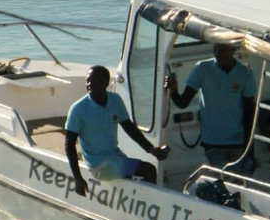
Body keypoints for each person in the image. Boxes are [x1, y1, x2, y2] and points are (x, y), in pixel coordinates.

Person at [65, 65, 168, 197]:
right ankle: (155, 204)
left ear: (105, 83)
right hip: (99, 165)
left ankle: (140, 204)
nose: (89, 84)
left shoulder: (115, 100)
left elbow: (130, 128)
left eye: (93, 81)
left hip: (115, 157)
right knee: (148, 170)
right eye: (87, 81)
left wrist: (152, 150)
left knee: (139, 175)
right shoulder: (78, 109)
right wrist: (77, 177)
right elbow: (69, 144)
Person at [164, 43, 257, 172]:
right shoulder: (202, 69)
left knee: (240, 181)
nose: (218, 53)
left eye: (223, 49)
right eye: (216, 49)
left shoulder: (245, 73)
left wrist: (250, 153)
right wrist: (173, 91)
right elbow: (183, 102)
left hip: (239, 142)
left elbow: (249, 114)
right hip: (213, 142)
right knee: (227, 178)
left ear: (233, 49)